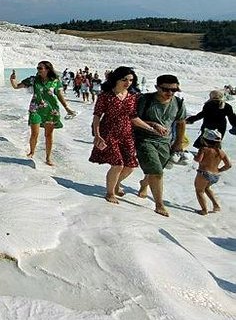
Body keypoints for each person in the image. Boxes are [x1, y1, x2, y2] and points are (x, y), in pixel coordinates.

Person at [89, 67, 154, 204]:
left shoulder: (132, 97)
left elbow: (133, 117)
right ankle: (110, 192)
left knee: (130, 166)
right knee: (117, 164)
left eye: (130, 80)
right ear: (116, 79)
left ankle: (116, 183)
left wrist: (150, 128)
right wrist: (97, 134)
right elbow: (97, 116)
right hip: (109, 133)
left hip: (127, 134)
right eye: (124, 79)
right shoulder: (105, 96)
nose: (128, 83)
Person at [133, 74, 187, 217]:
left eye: (173, 90)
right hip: (145, 139)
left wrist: (178, 143)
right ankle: (159, 204)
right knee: (157, 171)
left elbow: (181, 123)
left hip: (165, 142)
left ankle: (144, 184)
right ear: (157, 87)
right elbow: (134, 119)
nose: (169, 93)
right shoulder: (146, 100)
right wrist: (153, 125)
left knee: (156, 169)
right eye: (165, 89)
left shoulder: (178, 103)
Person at [10, 61, 76, 166]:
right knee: (35, 133)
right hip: (35, 109)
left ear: (47, 69)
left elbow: (59, 95)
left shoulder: (55, 80)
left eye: (40, 68)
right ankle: (32, 152)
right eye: (38, 68)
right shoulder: (33, 79)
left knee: (48, 135)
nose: (38, 70)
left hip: (51, 110)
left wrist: (67, 108)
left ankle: (48, 158)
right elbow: (16, 86)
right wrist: (12, 79)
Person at [192, 129, 230, 215]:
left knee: (199, 191)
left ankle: (204, 210)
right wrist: (219, 170)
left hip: (203, 173)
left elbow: (198, 159)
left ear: (205, 140)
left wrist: (194, 156)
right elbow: (228, 165)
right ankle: (216, 205)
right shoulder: (221, 152)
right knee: (206, 188)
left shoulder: (204, 149)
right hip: (215, 175)